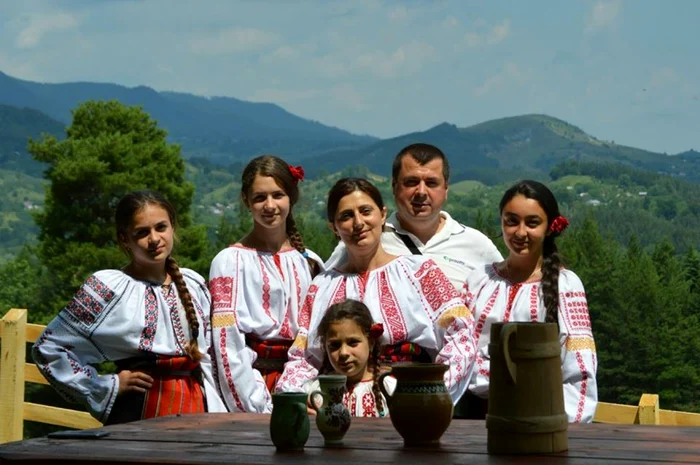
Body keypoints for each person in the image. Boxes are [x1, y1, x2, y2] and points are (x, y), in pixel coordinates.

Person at [276, 178, 477, 405]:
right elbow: (304, 357)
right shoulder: (322, 286)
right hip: (336, 408)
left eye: (365, 211)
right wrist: (302, 400)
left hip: (409, 401)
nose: (358, 223)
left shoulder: (420, 272)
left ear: (382, 214)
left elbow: (461, 336)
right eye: (346, 216)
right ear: (333, 227)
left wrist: (430, 395)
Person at [32, 190, 226, 424]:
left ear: (173, 227)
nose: (154, 239)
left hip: (197, 410)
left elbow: (216, 350)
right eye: (142, 232)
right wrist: (106, 385)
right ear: (125, 239)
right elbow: (49, 347)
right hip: (137, 413)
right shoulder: (107, 288)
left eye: (161, 227)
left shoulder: (194, 284)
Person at [462, 180, 598, 422]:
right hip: (473, 418)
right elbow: (459, 351)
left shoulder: (565, 285)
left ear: (550, 228)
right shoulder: (479, 280)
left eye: (532, 223)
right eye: (511, 221)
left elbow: (579, 369)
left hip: (539, 418)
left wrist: (558, 424)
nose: (520, 232)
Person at [209, 155, 323, 413]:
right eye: (260, 197)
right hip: (253, 385)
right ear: (245, 200)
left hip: (305, 385)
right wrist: (257, 407)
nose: (270, 205)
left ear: (291, 197)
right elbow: (227, 345)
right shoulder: (229, 262)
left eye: (278, 195)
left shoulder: (310, 262)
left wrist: (306, 390)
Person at [325, 143, 502, 292]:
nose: (421, 192)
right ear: (394, 186)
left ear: (446, 189)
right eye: (411, 182)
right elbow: (329, 287)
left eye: (431, 183)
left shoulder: (477, 245)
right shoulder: (365, 241)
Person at [306, 299, 395, 417]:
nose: (343, 353)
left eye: (352, 342)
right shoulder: (313, 390)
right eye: (335, 345)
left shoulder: (390, 389)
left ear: (371, 343)